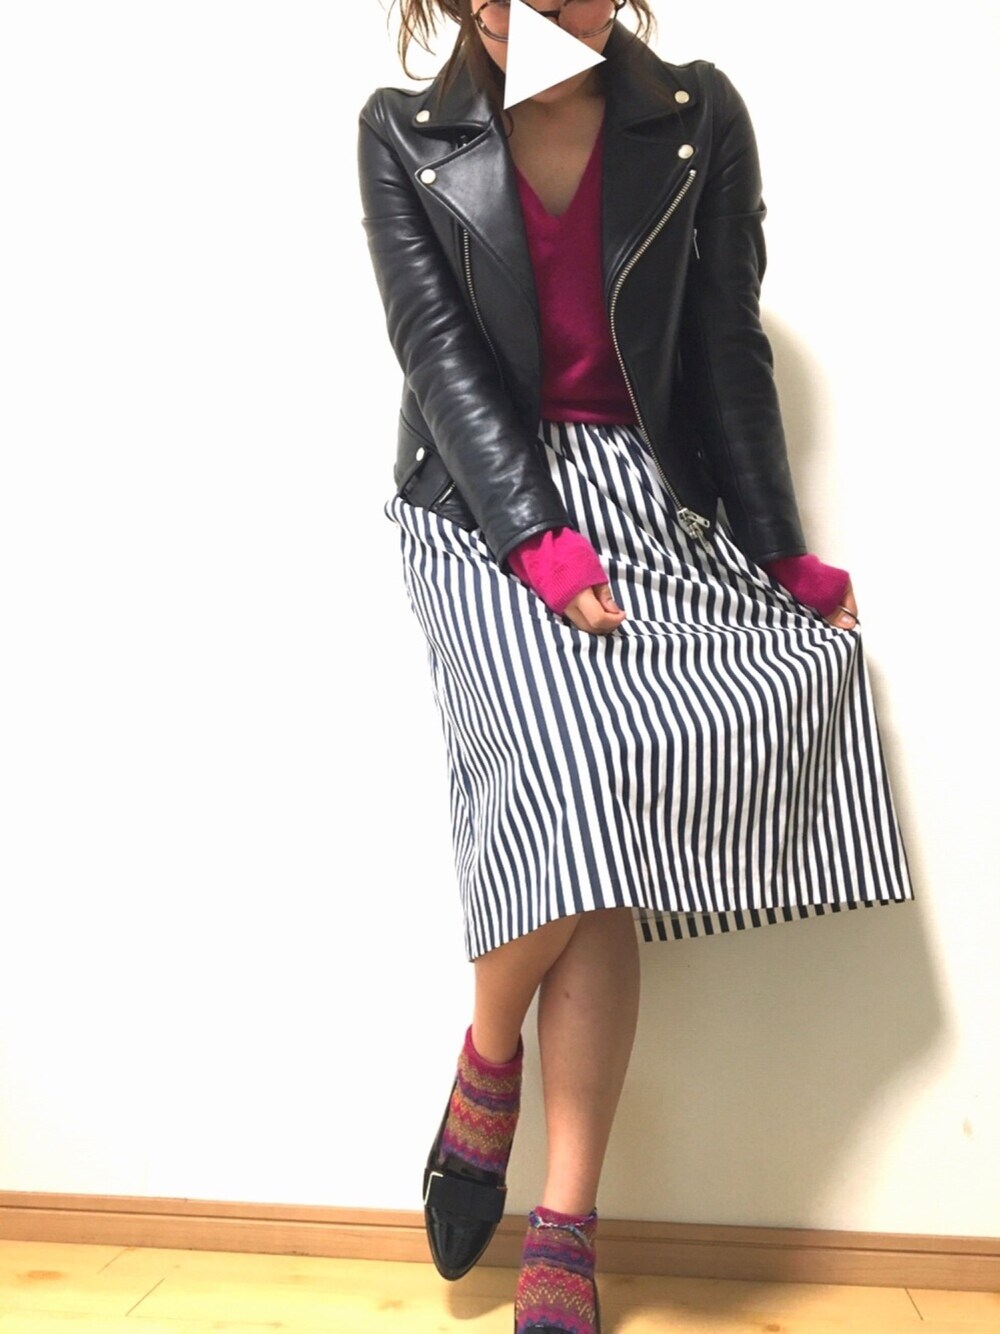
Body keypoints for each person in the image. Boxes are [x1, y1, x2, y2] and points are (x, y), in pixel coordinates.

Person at [357, 3, 915, 1330]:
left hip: (648, 501)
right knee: (583, 769)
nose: (528, 17)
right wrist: (535, 540)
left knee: (625, 799)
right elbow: (436, 353)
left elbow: (725, 346)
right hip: (478, 505)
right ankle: (495, 1070)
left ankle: (559, 1205)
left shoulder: (695, 116)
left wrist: (780, 552)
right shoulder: (402, 133)